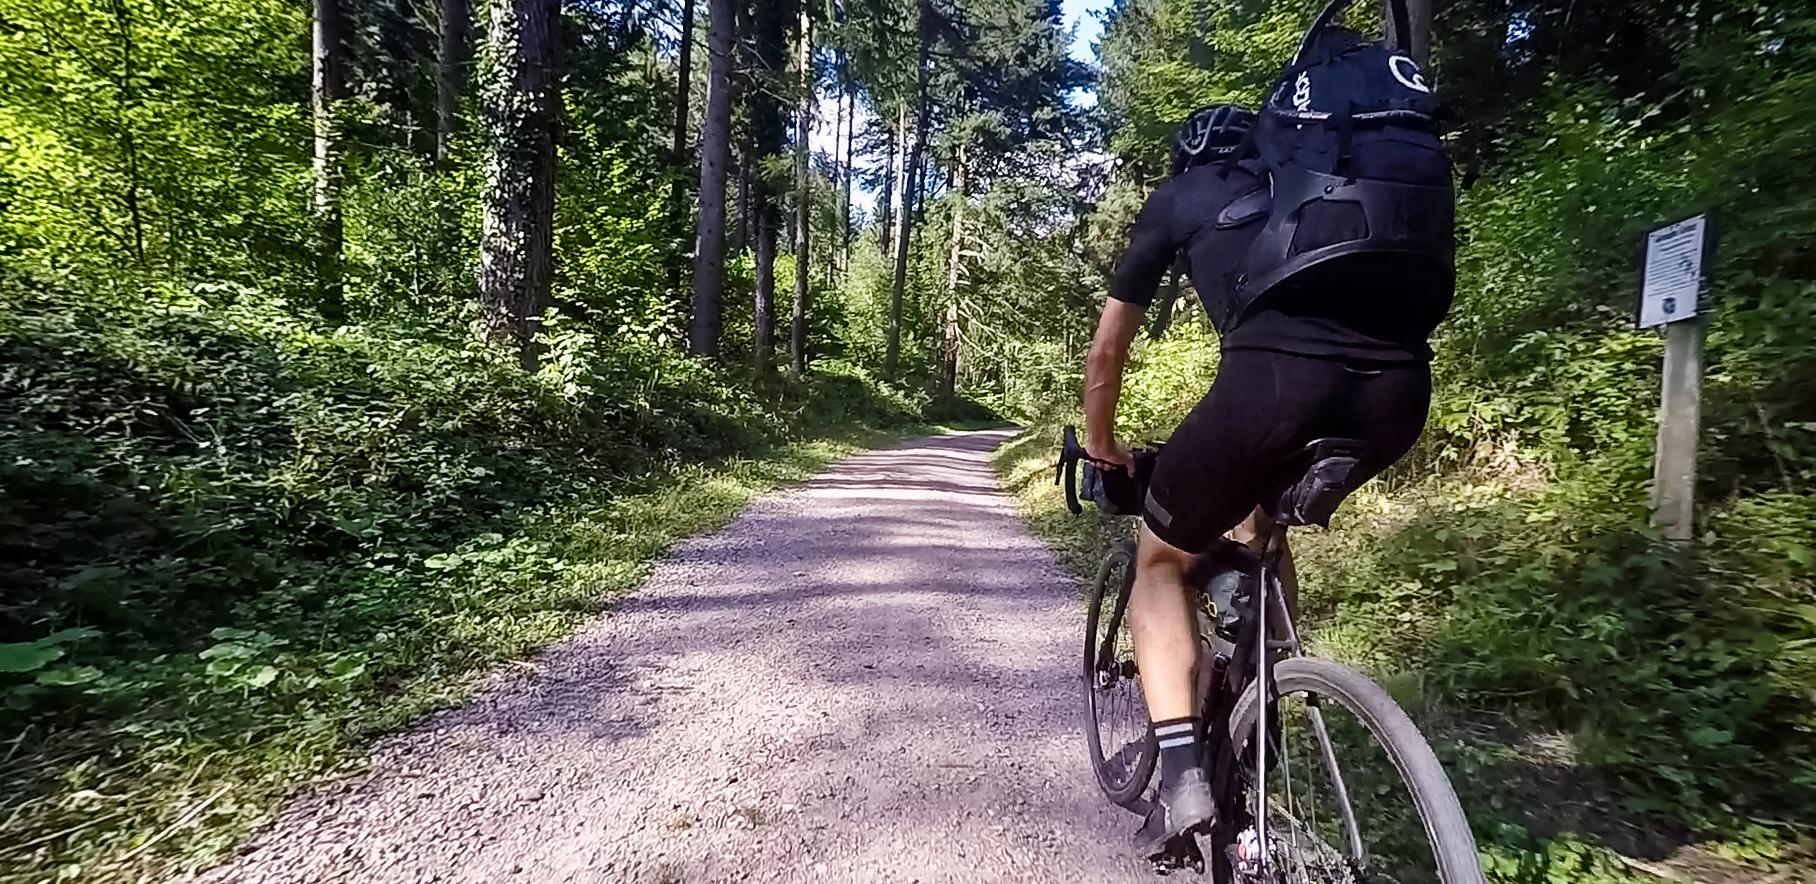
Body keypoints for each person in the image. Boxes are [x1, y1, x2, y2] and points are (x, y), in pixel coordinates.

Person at [1083, 104, 1450, 852]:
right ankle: (1267, 681)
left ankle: (1184, 775)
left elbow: (1107, 351)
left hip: (1274, 387)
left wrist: (1101, 444)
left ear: (1186, 158)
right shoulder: (1315, 184)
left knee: (1160, 559)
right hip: (1399, 394)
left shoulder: (1182, 197)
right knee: (1260, 528)